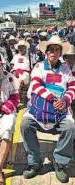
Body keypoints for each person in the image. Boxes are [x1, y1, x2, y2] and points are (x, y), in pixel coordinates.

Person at [21, 36, 75, 183]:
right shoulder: (39, 67)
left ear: (60, 53)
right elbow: (36, 86)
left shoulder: (65, 69)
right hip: (40, 110)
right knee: (25, 124)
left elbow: (72, 87)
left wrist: (65, 100)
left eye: (57, 50)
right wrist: (53, 99)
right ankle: (35, 162)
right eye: (51, 49)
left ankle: (59, 162)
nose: (54, 52)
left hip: (60, 111)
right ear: (46, 52)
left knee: (70, 127)